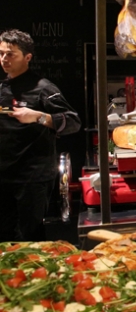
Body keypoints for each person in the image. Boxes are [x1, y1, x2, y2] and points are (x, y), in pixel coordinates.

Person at [0, 29, 81, 241]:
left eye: (11, 54)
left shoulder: (43, 88)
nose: (4, 59)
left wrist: (38, 116)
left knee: (30, 236)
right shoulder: (2, 88)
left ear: (27, 57)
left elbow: (73, 121)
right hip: (4, 174)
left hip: (32, 176)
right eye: (1, 53)